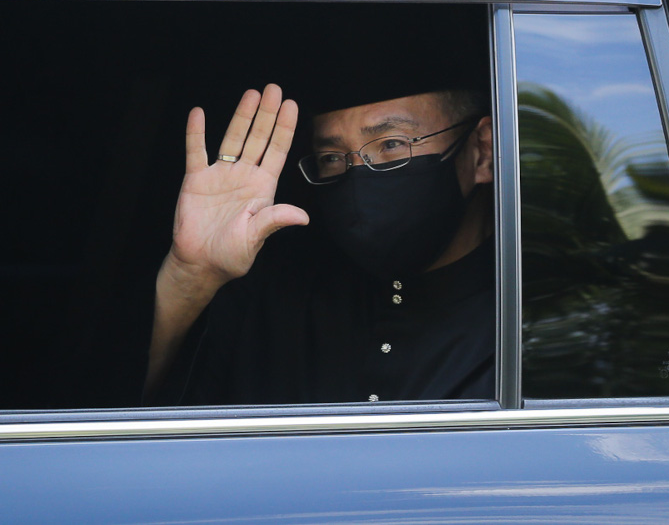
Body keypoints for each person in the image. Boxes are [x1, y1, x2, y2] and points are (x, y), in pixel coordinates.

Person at [144, 82, 495, 405]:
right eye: (331, 158)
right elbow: (145, 430)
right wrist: (192, 277)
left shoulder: (529, 330)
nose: (357, 180)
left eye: (392, 144)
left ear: (482, 151)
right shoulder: (274, 294)